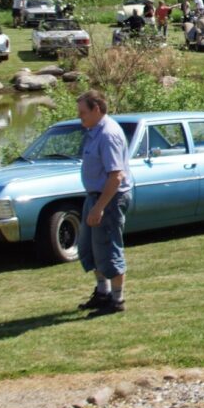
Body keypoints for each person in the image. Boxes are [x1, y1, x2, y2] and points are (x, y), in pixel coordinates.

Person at [74, 91, 133, 316]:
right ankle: (102, 293)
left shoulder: (108, 134)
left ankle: (117, 300)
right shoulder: (93, 132)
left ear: (97, 109)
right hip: (95, 197)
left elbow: (115, 176)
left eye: (83, 112)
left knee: (109, 247)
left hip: (109, 199)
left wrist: (100, 207)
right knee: (90, 248)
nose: (80, 117)